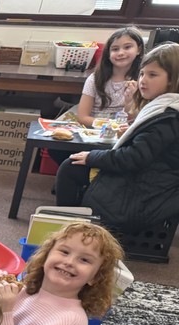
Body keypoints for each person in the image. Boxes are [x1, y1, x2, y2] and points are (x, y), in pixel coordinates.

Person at [56, 42, 179, 233]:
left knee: (71, 167)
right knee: (73, 163)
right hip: (146, 177)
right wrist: (131, 131)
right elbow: (147, 145)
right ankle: (73, 227)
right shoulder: (165, 108)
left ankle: (71, 231)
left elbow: (133, 158)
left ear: (173, 80)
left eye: (153, 75)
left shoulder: (168, 116)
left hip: (144, 188)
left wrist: (92, 157)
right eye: (142, 74)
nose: (143, 80)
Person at [77, 27, 144, 126]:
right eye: (115, 49)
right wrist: (109, 125)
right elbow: (82, 117)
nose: (121, 53)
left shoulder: (142, 81)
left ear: (139, 49)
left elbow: (134, 120)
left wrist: (130, 102)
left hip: (123, 131)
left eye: (127, 47)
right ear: (108, 53)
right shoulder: (95, 79)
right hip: (92, 130)